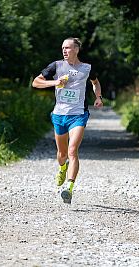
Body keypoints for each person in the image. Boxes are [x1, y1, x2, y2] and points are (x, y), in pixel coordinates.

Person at [32, 37, 103, 204]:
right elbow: (36, 82)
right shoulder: (56, 66)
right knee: (62, 155)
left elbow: (95, 82)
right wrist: (55, 82)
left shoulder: (87, 68)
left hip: (78, 114)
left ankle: (69, 188)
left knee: (72, 151)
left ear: (76, 50)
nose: (64, 51)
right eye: (63, 48)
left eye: (68, 48)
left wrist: (98, 96)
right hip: (59, 115)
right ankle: (62, 168)